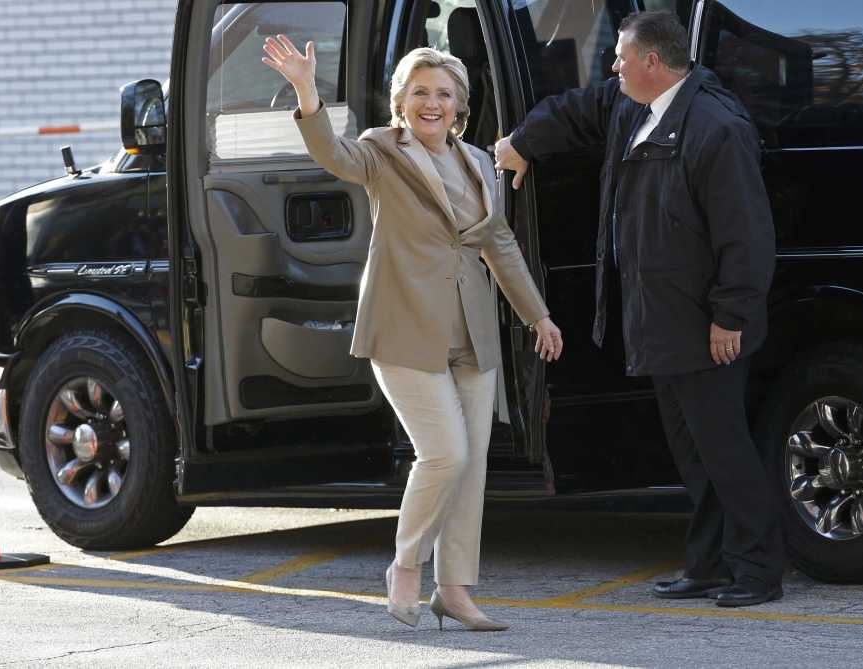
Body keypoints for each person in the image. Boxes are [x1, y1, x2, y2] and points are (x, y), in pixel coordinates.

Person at [262, 37, 563, 629]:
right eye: (421, 92)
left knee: (472, 463)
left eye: (444, 94)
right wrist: (305, 91)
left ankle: (454, 589)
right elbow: (331, 154)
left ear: (460, 106)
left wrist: (538, 315)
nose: (433, 103)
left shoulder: (478, 162)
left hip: (471, 329)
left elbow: (498, 244)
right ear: (402, 101)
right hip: (402, 327)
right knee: (444, 453)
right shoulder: (380, 151)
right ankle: (405, 566)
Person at [494, 11, 783, 607]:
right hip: (658, 320)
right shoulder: (631, 102)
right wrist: (522, 143)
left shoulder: (714, 126)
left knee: (726, 451)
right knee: (692, 454)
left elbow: (746, 236)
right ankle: (707, 565)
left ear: (654, 63)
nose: (614, 66)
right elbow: (575, 109)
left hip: (707, 326)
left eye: (622, 57)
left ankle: (757, 571)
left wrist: (729, 317)